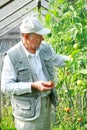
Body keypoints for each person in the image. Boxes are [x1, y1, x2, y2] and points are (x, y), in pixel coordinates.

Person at [1, 15, 69, 130]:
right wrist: (33, 86)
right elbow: (6, 87)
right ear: (26, 36)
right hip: (27, 113)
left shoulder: (45, 48)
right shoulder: (12, 56)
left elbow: (58, 59)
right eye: (39, 36)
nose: (43, 39)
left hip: (46, 104)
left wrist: (77, 59)